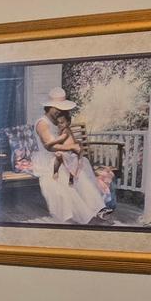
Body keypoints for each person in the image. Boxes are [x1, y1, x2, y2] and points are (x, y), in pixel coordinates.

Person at [31, 93, 110, 224]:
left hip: (62, 156)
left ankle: (97, 208)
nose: (59, 111)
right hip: (47, 159)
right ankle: (82, 214)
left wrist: (73, 147)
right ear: (49, 107)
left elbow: (68, 139)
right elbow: (49, 147)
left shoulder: (60, 121)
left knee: (80, 169)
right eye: (56, 108)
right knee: (63, 176)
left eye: (61, 108)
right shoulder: (42, 123)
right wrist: (72, 148)